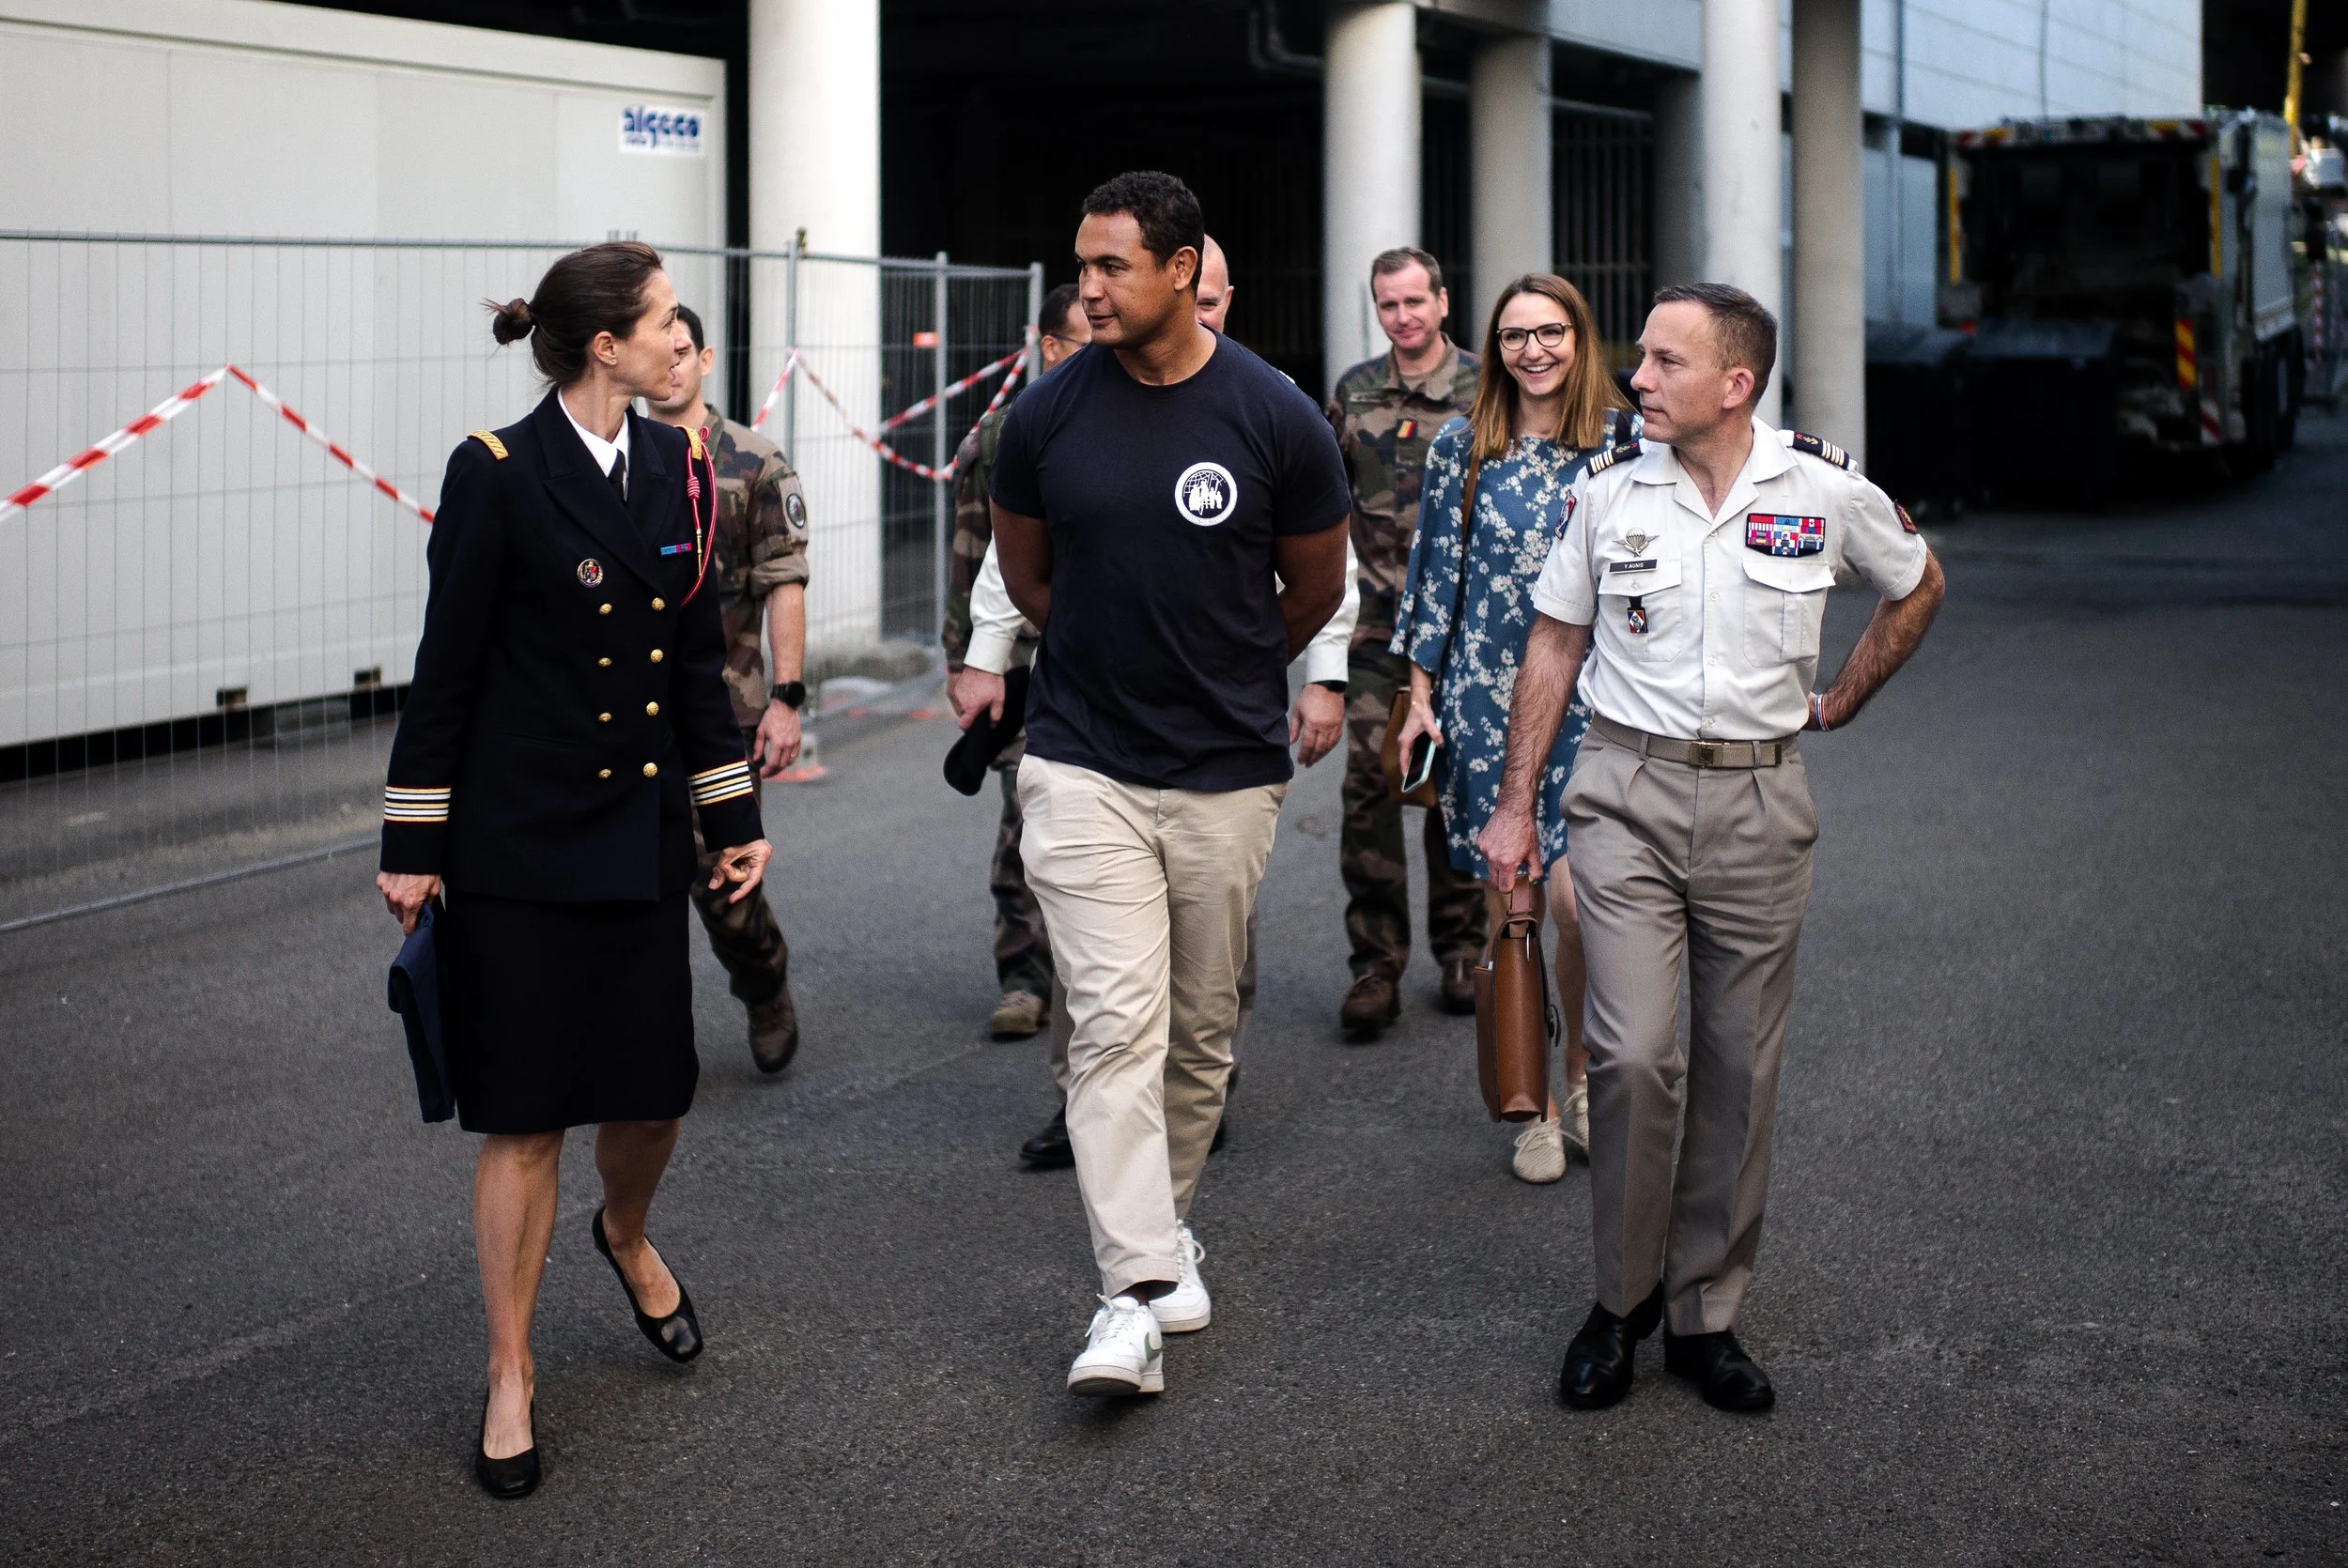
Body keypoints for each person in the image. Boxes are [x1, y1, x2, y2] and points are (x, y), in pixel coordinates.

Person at [1477, 282, 1944, 1414]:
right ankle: (1619, 1302)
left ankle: (1703, 1313)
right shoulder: (1607, 494)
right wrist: (1513, 803)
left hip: (1758, 800)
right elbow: (1554, 639)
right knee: (1634, 1054)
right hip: (1625, 790)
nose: (1635, 378)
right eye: (1640, 358)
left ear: (1735, 384)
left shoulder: (1822, 488)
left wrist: (1841, 698)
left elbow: (1917, 582)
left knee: (1739, 1067)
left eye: (1664, 362)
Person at [374, 241, 772, 1499]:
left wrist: (732, 810)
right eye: (661, 320)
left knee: (652, 1097)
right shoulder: (496, 472)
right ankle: (510, 1367)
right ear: (605, 344)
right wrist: (413, 841)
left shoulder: (677, 465)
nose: (677, 338)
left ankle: (626, 1229)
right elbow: (446, 666)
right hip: (517, 846)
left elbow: (696, 663)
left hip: (642, 840)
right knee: (526, 1113)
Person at [988, 172, 1350, 1397]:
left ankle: (1170, 1225)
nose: (1088, 288)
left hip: (1226, 772)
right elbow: (1032, 580)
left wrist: (1224, 667)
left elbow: (1313, 590)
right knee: (1112, 1024)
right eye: (1080, 266)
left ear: (1186, 269)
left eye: (1113, 267)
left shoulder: (1278, 417)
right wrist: (1098, 663)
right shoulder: (1043, 419)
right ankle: (1131, 1294)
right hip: (1080, 758)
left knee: (1199, 1034)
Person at [1390, 274, 1636, 1184]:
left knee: (1579, 906)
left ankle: (1578, 1073)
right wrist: (1419, 692)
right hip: (1486, 703)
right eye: (1513, 336)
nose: (1531, 350)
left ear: (1579, 338)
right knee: (1515, 909)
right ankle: (1529, 1106)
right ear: (1494, 349)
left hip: (1597, 700)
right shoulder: (1466, 444)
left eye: (1549, 332)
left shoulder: (1624, 441)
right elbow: (1432, 576)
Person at [1325, 246, 1488, 1038]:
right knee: (1369, 785)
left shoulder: (1487, 388)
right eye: (1389, 305)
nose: (1404, 317)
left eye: (1416, 302)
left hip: (1463, 630)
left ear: (1443, 301)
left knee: (1451, 787)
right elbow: (1329, 508)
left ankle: (1462, 952)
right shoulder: (1353, 393)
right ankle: (1375, 963)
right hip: (1377, 627)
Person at [647, 303, 807, 1073]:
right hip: (631, 718)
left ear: (706, 360)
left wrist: (788, 696)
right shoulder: (618, 459)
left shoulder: (752, 462)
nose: (671, 365)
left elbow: (784, 584)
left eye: (684, 352)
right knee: (633, 885)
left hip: (727, 711)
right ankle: (649, 1039)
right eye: (661, 351)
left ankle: (764, 980)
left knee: (724, 887)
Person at [941, 283, 1089, 1043]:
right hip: (1026, 664)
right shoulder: (1004, 435)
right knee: (1027, 817)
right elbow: (971, 550)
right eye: (1086, 335)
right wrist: (968, 659)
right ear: (1053, 348)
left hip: (1108, 659)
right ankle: (1026, 975)